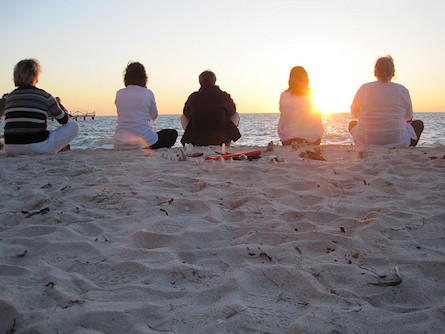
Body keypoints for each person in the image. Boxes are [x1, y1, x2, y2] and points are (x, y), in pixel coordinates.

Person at [4, 59, 79, 156]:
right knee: (74, 126)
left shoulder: (10, 97)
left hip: (10, 148)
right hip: (36, 147)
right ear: (35, 75)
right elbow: (64, 120)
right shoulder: (44, 96)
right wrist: (58, 104)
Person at [349, 55, 424, 147]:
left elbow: (354, 114)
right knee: (418, 124)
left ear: (375, 73)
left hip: (365, 141)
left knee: (352, 124)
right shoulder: (402, 90)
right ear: (393, 73)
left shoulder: (364, 88)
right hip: (398, 142)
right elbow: (408, 118)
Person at [113, 62, 178, 150]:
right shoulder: (147, 93)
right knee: (172, 134)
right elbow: (154, 116)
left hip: (119, 142)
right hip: (145, 142)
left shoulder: (119, 93)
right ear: (144, 77)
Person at [180, 70, 241, 146]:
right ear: (214, 81)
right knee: (236, 114)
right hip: (221, 137)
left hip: (198, 138)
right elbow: (232, 111)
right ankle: (227, 141)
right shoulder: (223, 95)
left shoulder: (193, 97)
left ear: (200, 82)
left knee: (183, 117)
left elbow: (186, 112)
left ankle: (192, 139)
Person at [278, 66, 324, 146]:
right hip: (312, 139)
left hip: (288, 139)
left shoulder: (284, 95)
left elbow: (284, 114)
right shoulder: (311, 95)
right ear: (306, 80)